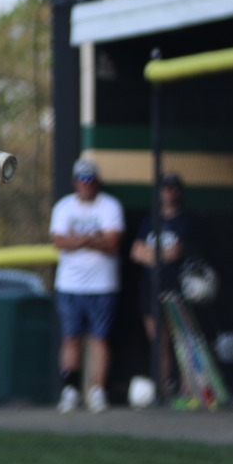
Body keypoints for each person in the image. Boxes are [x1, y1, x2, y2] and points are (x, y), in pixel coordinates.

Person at [51, 158, 123, 412]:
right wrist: (93, 237)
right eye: (82, 179)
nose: (86, 184)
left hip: (103, 285)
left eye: (90, 179)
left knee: (99, 338)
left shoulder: (110, 206)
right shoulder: (63, 206)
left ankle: (97, 391)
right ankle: (70, 390)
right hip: (69, 285)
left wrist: (77, 240)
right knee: (71, 337)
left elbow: (112, 242)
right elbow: (59, 241)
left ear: (97, 181)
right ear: (75, 181)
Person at [129, 171, 198, 390]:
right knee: (159, 341)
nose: (168, 193)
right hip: (150, 287)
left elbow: (175, 252)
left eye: (172, 188)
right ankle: (164, 388)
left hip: (176, 287)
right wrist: (159, 255)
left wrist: (151, 254)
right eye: (164, 188)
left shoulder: (185, 221)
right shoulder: (150, 220)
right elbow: (136, 252)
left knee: (183, 340)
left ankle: (189, 389)